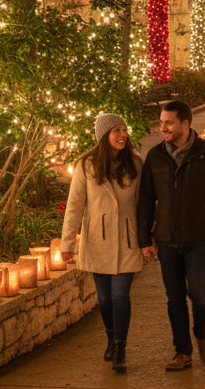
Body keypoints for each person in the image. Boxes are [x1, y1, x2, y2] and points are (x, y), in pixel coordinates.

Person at [138, 101, 205, 372]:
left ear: (185, 124)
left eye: (168, 122)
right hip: (166, 239)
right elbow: (146, 200)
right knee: (175, 299)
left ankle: (202, 334)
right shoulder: (155, 156)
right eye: (161, 122)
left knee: (199, 294)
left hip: (198, 239)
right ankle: (183, 352)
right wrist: (145, 239)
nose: (163, 127)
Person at [61, 113, 144, 372]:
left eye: (124, 129)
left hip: (128, 240)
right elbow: (74, 206)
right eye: (115, 130)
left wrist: (148, 236)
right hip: (98, 239)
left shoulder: (136, 163)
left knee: (120, 296)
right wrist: (67, 244)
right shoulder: (86, 165)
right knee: (105, 300)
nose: (122, 135)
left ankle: (120, 347)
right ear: (103, 136)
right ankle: (110, 338)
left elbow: (145, 203)